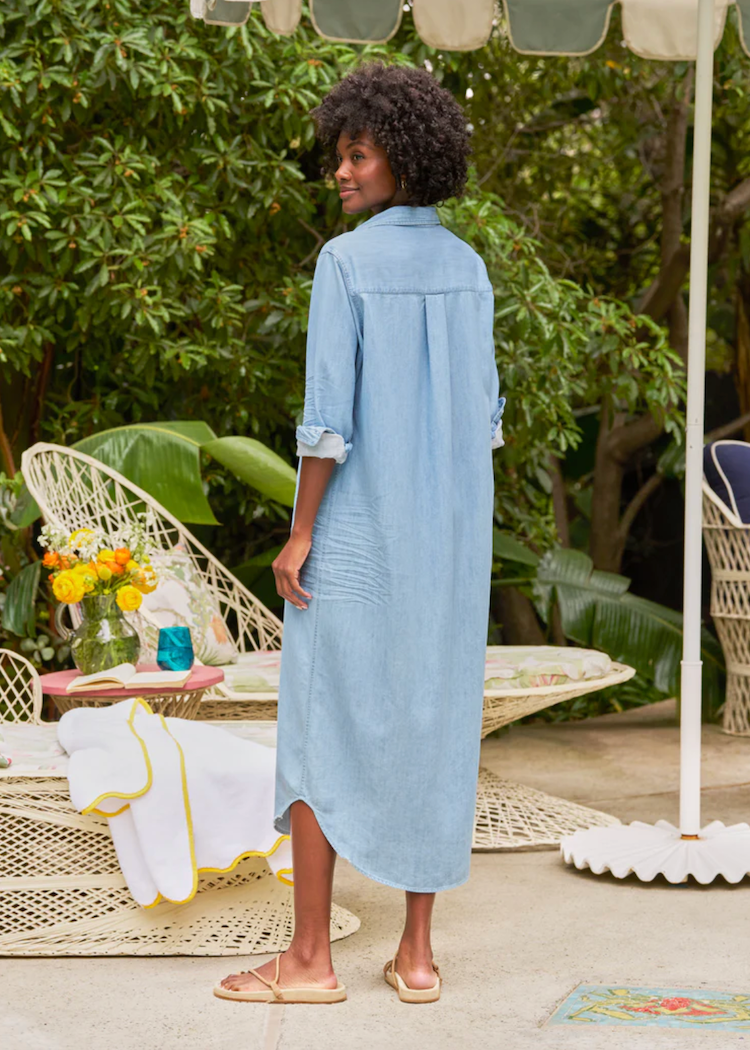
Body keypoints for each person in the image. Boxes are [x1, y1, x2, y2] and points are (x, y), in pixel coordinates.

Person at [215, 60, 505, 1006]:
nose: (339, 171)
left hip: (358, 534)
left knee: (317, 720)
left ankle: (309, 960)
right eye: (339, 155)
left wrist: (300, 533)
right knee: (436, 719)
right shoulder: (469, 271)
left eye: (357, 155)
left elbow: (327, 423)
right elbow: (485, 422)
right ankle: (417, 958)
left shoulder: (345, 265)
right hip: (450, 540)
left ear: (402, 161)